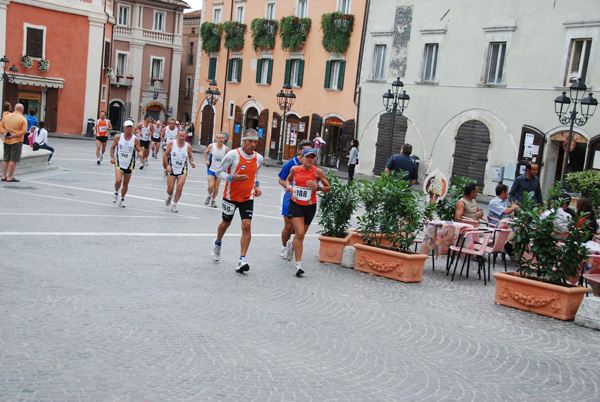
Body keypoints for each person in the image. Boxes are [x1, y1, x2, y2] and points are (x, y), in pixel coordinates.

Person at [211, 129, 264, 273]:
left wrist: (257, 187)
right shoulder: (233, 155)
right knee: (226, 223)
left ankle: (242, 259)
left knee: (247, 225)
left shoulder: (259, 158)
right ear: (244, 141)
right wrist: (231, 177)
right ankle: (218, 243)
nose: (253, 145)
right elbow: (219, 172)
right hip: (231, 196)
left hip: (247, 197)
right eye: (251, 141)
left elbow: (256, 173)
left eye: (255, 142)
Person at [285, 148, 331, 276]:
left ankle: (291, 244)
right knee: (299, 233)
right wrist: (288, 186)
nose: (310, 159)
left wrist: (318, 188)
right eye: (308, 156)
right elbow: (288, 179)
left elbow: (329, 188)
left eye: (313, 157)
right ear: (302, 158)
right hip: (295, 204)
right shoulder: (295, 169)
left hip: (310, 206)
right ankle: (298, 265)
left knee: (301, 236)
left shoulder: (318, 172)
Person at [278, 140, 313, 260]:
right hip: (289, 197)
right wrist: (289, 187)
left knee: (298, 229)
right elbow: (281, 179)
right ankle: (284, 247)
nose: (308, 153)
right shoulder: (291, 164)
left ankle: (292, 244)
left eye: (310, 150)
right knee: (288, 225)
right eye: (305, 150)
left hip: (304, 200)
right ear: (299, 151)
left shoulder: (312, 165)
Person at [109, 119, 143, 208]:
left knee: (125, 183)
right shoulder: (118, 137)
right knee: (118, 180)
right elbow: (112, 147)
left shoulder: (135, 139)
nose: (129, 129)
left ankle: (122, 199)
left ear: (132, 128)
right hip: (119, 162)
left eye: (130, 127)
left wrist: (140, 154)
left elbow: (139, 150)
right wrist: (112, 157)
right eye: (127, 127)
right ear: (124, 127)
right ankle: (116, 192)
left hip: (129, 164)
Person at [164, 130, 196, 212]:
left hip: (182, 169)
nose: (181, 138)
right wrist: (167, 165)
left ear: (185, 137)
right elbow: (165, 154)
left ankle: (174, 204)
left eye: (183, 136)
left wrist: (191, 162)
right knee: (170, 189)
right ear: (177, 136)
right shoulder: (172, 143)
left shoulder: (188, 146)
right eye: (180, 136)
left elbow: (190, 157)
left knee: (180, 187)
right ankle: (170, 196)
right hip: (172, 168)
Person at [0, 103, 28, 182]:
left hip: (6, 139)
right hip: (17, 140)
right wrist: (14, 135)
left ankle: (3, 176)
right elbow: (24, 131)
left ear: (15, 109)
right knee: (13, 159)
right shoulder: (22, 119)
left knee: (6, 158)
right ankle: (10, 177)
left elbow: (1, 127)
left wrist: (6, 133)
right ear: (22, 110)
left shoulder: (6, 117)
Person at [203, 131, 229, 208]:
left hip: (220, 170)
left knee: (216, 186)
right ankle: (209, 195)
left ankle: (213, 200)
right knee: (211, 185)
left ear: (224, 139)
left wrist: (226, 166)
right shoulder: (212, 146)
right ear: (216, 139)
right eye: (219, 138)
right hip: (211, 168)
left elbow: (227, 159)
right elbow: (205, 152)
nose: (221, 140)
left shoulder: (226, 149)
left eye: (222, 138)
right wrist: (207, 160)